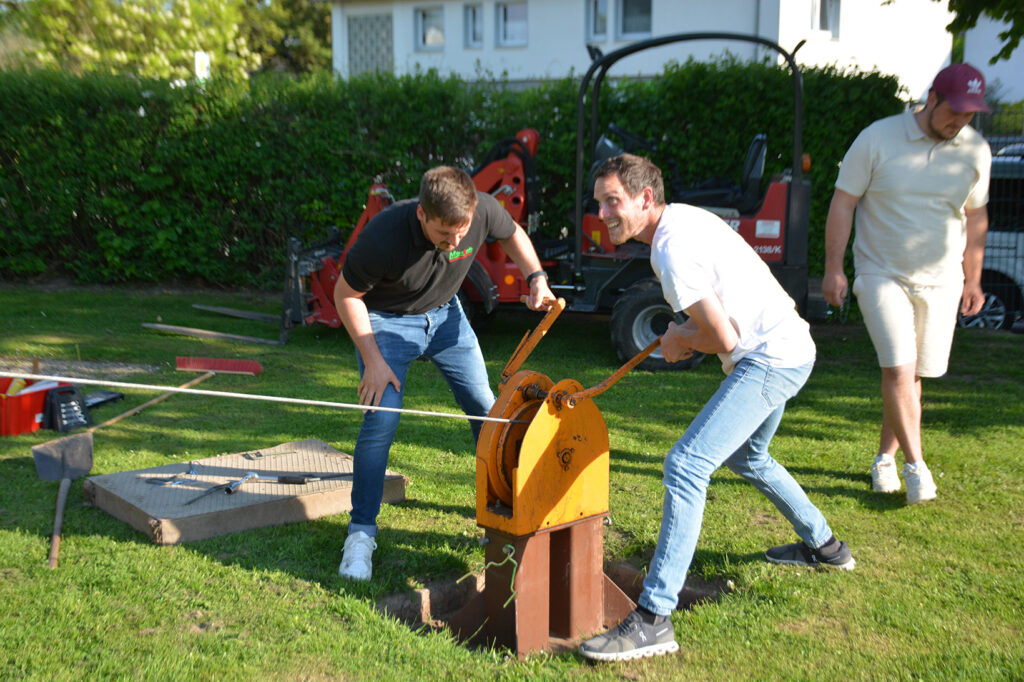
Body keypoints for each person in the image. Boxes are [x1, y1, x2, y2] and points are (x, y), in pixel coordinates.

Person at [578, 154, 853, 663]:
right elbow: (717, 320)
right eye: (599, 203)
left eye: (612, 201)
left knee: (686, 464)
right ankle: (827, 548)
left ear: (644, 198)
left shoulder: (671, 249)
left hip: (770, 358)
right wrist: (684, 332)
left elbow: (719, 334)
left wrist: (682, 342)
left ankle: (653, 620)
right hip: (790, 347)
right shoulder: (682, 219)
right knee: (750, 458)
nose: (603, 213)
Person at [333, 165, 554, 581]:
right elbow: (345, 294)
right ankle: (360, 535)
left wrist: (536, 277)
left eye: (463, 231)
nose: (456, 242)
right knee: (381, 419)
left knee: (488, 413)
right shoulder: (384, 236)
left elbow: (511, 233)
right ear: (422, 215)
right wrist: (374, 360)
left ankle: (505, 515)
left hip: (448, 319)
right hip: (386, 322)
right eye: (444, 234)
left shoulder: (483, 209)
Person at [822, 63, 992, 505]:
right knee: (897, 368)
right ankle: (917, 467)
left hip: (942, 280)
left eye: (970, 114)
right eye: (954, 111)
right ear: (932, 98)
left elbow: (975, 217)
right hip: (881, 273)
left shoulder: (975, 150)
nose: (960, 122)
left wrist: (973, 278)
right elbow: (844, 202)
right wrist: (834, 268)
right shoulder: (878, 138)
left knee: (913, 375)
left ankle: (884, 458)